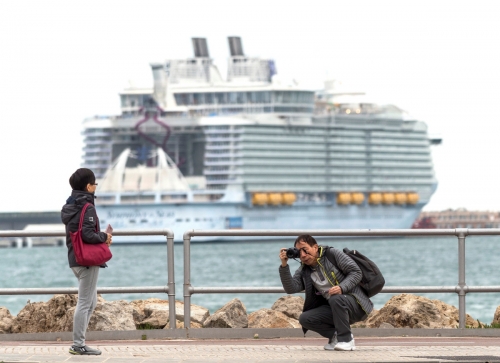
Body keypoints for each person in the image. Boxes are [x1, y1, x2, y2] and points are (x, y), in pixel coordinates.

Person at [279, 234, 373, 351]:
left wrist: (341, 287)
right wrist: (284, 265)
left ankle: (346, 340)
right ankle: (336, 337)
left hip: (356, 304)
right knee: (305, 319)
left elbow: (356, 272)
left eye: (305, 250)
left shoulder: (332, 254)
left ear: (315, 247)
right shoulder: (304, 270)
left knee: (335, 298)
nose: (303, 255)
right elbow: (291, 288)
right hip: (335, 308)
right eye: (299, 252)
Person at [61, 168, 112, 356]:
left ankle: (80, 342)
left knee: (90, 303)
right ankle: (78, 345)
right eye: (95, 184)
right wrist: (104, 236)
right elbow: (87, 234)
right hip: (87, 261)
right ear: (89, 186)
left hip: (74, 258)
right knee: (84, 303)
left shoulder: (69, 205)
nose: (95, 187)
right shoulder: (87, 207)